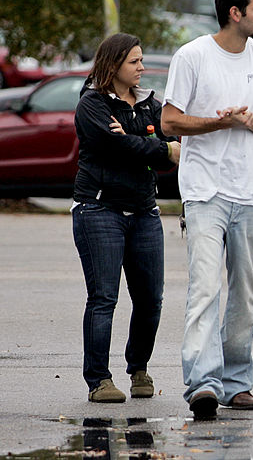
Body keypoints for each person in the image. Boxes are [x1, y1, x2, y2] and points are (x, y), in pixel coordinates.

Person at [161, 0, 253, 419]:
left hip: (251, 192)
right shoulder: (192, 56)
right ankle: (203, 383)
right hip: (204, 191)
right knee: (204, 288)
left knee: (245, 293)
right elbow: (170, 122)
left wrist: (250, 121)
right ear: (235, 13)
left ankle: (236, 383)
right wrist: (219, 123)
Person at [72, 33, 181, 403]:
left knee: (150, 299)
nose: (141, 68)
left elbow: (167, 156)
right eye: (134, 61)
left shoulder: (150, 104)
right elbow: (114, 148)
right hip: (99, 210)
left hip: (145, 211)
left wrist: (140, 142)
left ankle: (138, 369)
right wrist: (157, 147)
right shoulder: (92, 104)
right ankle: (99, 380)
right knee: (104, 298)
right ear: (113, 63)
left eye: (141, 60)